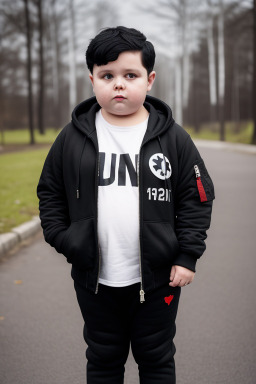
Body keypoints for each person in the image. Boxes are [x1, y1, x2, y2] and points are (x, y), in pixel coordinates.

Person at [37, 26, 215, 384]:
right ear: (92, 81)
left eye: (129, 75)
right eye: (107, 75)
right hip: (95, 280)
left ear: (149, 80)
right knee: (103, 358)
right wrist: (65, 239)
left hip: (158, 277)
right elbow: (50, 193)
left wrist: (187, 256)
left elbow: (197, 198)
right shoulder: (72, 138)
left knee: (157, 358)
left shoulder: (173, 139)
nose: (118, 84)